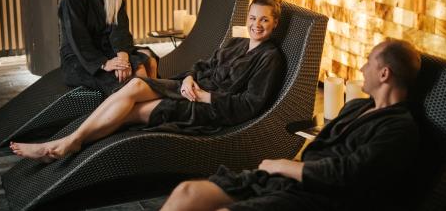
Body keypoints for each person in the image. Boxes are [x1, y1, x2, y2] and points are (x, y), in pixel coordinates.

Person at [10, 0, 285, 163]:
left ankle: (65, 144)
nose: (256, 25)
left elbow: (250, 104)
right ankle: (71, 141)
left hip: (207, 108)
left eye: (264, 20)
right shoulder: (237, 43)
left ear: (275, 24)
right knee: (135, 86)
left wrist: (204, 96)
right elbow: (203, 64)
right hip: (188, 89)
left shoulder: (269, 57)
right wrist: (190, 78)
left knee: (132, 112)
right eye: (252, 17)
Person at [160, 39, 422, 211]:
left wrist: (284, 164)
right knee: (188, 192)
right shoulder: (357, 107)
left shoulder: (398, 128)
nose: (363, 68)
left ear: (384, 74)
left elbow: (349, 173)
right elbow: (316, 151)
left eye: (368, 62)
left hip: (320, 199)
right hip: (290, 182)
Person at [58, 0, 158, 96]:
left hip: (108, 50)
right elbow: (79, 40)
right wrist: (104, 63)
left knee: (148, 63)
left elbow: (121, 31)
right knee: (133, 80)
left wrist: (122, 58)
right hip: (80, 60)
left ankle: (149, 106)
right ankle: (148, 108)